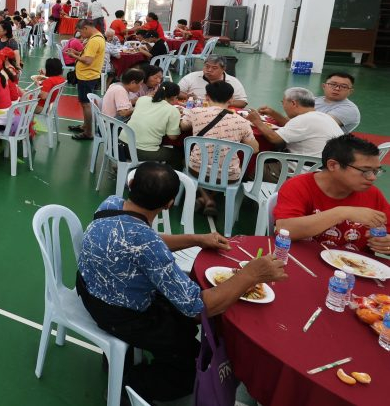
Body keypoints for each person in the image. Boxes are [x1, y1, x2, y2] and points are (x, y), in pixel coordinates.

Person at [77, 161, 287, 403]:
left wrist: (197, 239)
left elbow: (141, 239)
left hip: (90, 288)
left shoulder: (111, 204)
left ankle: (122, 359)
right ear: (169, 204)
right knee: (191, 367)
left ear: (131, 185)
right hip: (120, 314)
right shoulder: (148, 246)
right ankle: (129, 386)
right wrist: (251, 274)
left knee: (181, 325)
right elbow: (198, 306)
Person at [274, 134, 390, 254]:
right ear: (333, 165)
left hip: (357, 268)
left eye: (376, 171)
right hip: (303, 262)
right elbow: (286, 229)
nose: (372, 177)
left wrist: (386, 243)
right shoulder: (299, 186)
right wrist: (342, 213)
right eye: (365, 171)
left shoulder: (371, 193)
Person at [180, 81, 259, 216]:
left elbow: (183, 127)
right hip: (229, 176)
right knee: (224, 168)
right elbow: (255, 149)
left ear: (207, 97)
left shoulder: (196, 112)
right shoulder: (242, 122)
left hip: (197, 170)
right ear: (231, 99)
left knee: (186, 161)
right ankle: (210, 198)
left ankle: (205, 198)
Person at [248, 87, 343, 157]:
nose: (283, 106)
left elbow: (274, 138)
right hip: (325, 167)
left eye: (283, 102)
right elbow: (292, 125)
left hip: (303, 170)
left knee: (251, 166)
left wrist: (257, 121)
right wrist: (272, 113)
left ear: (293, 103)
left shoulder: (303, 120)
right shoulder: (322, 116)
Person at [127, 81, 183, 165]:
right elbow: (172, 137)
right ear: (174, 97)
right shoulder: (172, 110)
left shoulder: (142, 99)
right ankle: (165, 176)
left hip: (122, 146)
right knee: (176, 153)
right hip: (140, 152)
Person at [67, 19, 105, 141]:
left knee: (86, 104)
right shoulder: (97, 37)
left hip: (87, 76)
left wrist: (74, 56)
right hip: (87, 75)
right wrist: (78, 52)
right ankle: (85, 126)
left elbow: (88, 60)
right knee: (85, 103)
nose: (81, 35)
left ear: (86, 28)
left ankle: (88, 133)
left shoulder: (94, 40)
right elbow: (89, 56)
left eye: (81, 32)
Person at [178, 56, 247, 108]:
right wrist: (188, 96)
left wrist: (219, 103)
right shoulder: (192, 77)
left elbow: (242, 102)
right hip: (194, 110)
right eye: (207, 66)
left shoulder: (233, 81)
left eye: (214, 68)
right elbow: (177, 92)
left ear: (223, 69)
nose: (209, 70)